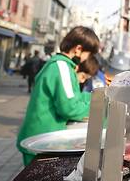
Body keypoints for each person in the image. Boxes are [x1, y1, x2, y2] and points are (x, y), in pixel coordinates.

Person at [17, 26, 100, 166]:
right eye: (88, 53)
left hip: (41, 136)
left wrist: (95, 97)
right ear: (78, 49)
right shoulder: (61, 67)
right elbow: (69, 107)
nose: (88, 58)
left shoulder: (63, 66)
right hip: (41, 138)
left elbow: (75, 97)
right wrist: (98, 107)